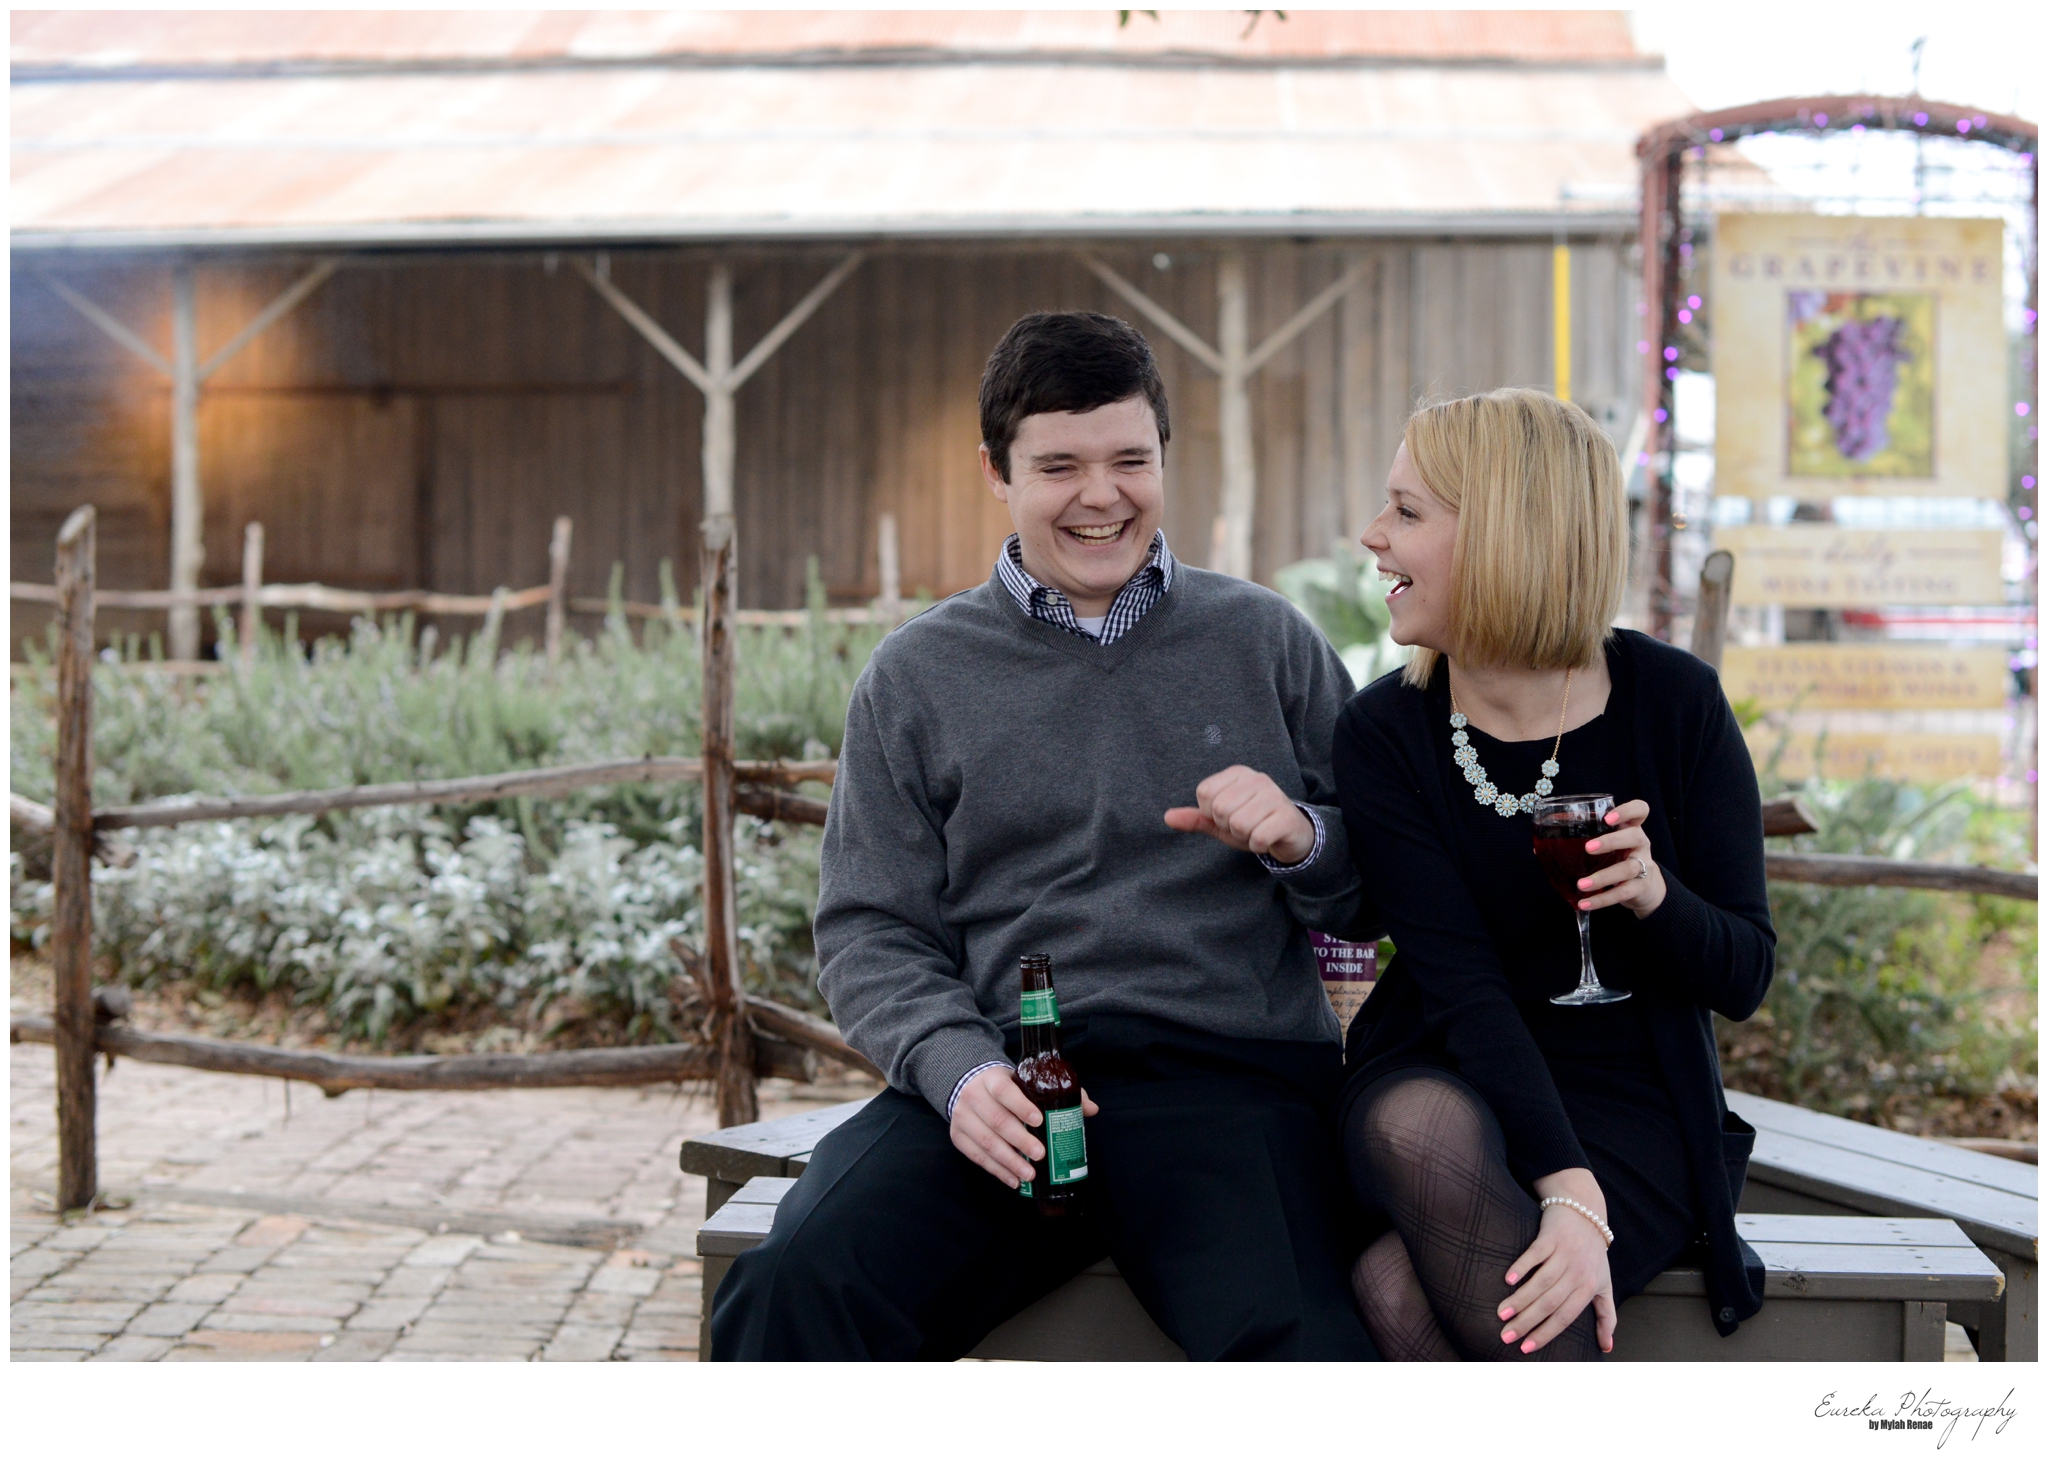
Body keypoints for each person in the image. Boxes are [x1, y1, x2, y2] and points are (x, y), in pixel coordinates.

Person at [710, 310, 1379, 1360]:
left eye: (1129, 459)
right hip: (999, 1077)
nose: (1101, 495)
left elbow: (1371, 889)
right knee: (796, 1287)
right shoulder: (914, 675)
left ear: (1165, 457)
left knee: (1301, 1346)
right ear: (997, 472)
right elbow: (868, 931)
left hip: (1229, 1087)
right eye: (1058, 465)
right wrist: (959, 1072)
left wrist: (1301, 839)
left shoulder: (1264, 640)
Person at [1331, 388, 1774, 1361]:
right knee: (1418, 1130)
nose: (1372, 535)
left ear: (1503, 533)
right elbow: (1463, 990)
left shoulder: (1673, 705)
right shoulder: (1384, 734)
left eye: (1406, 512)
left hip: (1632, 1103)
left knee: (1396, 1290)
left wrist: (1655, 899)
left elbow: (1743, 974)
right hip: (1445, 1070)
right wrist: (1566, 1192)